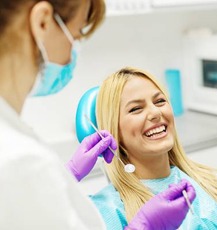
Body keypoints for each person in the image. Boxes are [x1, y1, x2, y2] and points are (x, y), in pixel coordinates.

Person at [0, 1, 196, 229]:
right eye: (77, 33)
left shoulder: (214, 185)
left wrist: (67, 175)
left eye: (160, 101)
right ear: (42, 22)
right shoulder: (20, 161)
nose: (73, 51)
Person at [86, 66, 217, 230]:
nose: (155, 113)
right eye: (136, 109)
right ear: (113, 131)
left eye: (160, 101)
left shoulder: (215, 185)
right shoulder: (105, 212)